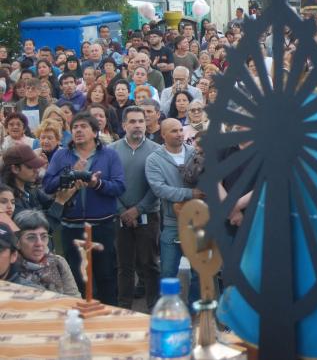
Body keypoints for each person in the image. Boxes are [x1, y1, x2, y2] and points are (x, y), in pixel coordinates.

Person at [42, 112, 125, 305]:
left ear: (95, 132)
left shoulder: (110, 154)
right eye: (75, 127)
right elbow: (47, 185)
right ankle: (82, 320)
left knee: (106, 276)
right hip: (72, 227)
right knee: (79, 278)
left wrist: (97, 185)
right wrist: (69, 174)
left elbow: (120, 186)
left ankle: (109, 317)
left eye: (83, 126)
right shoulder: (62, 155)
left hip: (103, 226)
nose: (78, 130)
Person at [145, 118, 202, 306]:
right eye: (173, 131)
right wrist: (190, 193)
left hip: (197, 221)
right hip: (171, 223)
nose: (179, 134)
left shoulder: (195, 153)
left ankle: (195, 312)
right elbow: (159, 189)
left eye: (180, 130)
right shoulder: (154, 159)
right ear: (163, 135)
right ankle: (169, 310)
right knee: (168, 271)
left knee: (199, 271)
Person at [110, 106, 160, 310]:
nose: (138, 125)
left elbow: (157, 186)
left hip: (148, 215)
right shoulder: (111, 151)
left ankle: (154, 306)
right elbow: (107, 183)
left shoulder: (157, 151)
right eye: (132, 121)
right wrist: (122, 211)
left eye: (141, 121)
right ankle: (123, 307)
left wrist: (138, 210)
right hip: (119, 215)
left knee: (148, 264)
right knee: (124, 265)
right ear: (123, 125)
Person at [13, 209, 79, 297]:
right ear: (17, 242)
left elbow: (74, 298)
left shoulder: (58, 262)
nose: (39, 243)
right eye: (31, 237)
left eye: (44, 237)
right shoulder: (9, 269)